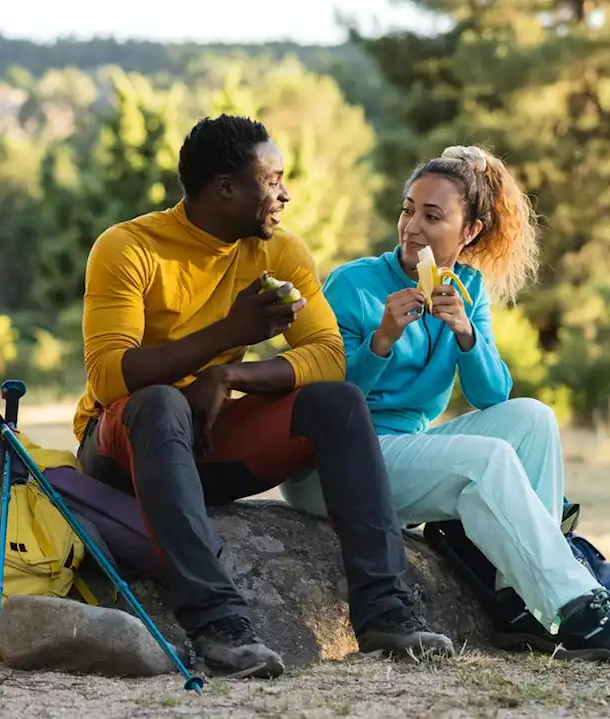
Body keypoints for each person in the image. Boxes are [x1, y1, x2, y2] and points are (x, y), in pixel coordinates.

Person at [72, 114, 455, 680]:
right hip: (125, 447)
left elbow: (327, 355)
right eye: (272, 179)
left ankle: (385, 613)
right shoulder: (129, 247)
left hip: (210, 442)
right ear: (226, 188)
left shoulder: (278, 250)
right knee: (160, 402)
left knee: (339, 402)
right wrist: (228, 334)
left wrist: (229, 377)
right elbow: (108, 377)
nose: (286, 193)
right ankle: (220, 624)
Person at [280, 145, 610, 663]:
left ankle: (519, 604)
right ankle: (579, 611)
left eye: (432, 216)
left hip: (406, 448)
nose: (412, 228)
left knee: (533, 419)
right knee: (485, 461)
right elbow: (328, 393)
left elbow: (492, 394)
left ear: (468, 232)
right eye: (408, 210)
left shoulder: (467, 286)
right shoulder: (354, 283)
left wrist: (466, 332)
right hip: (336, 465)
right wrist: (381, 340)